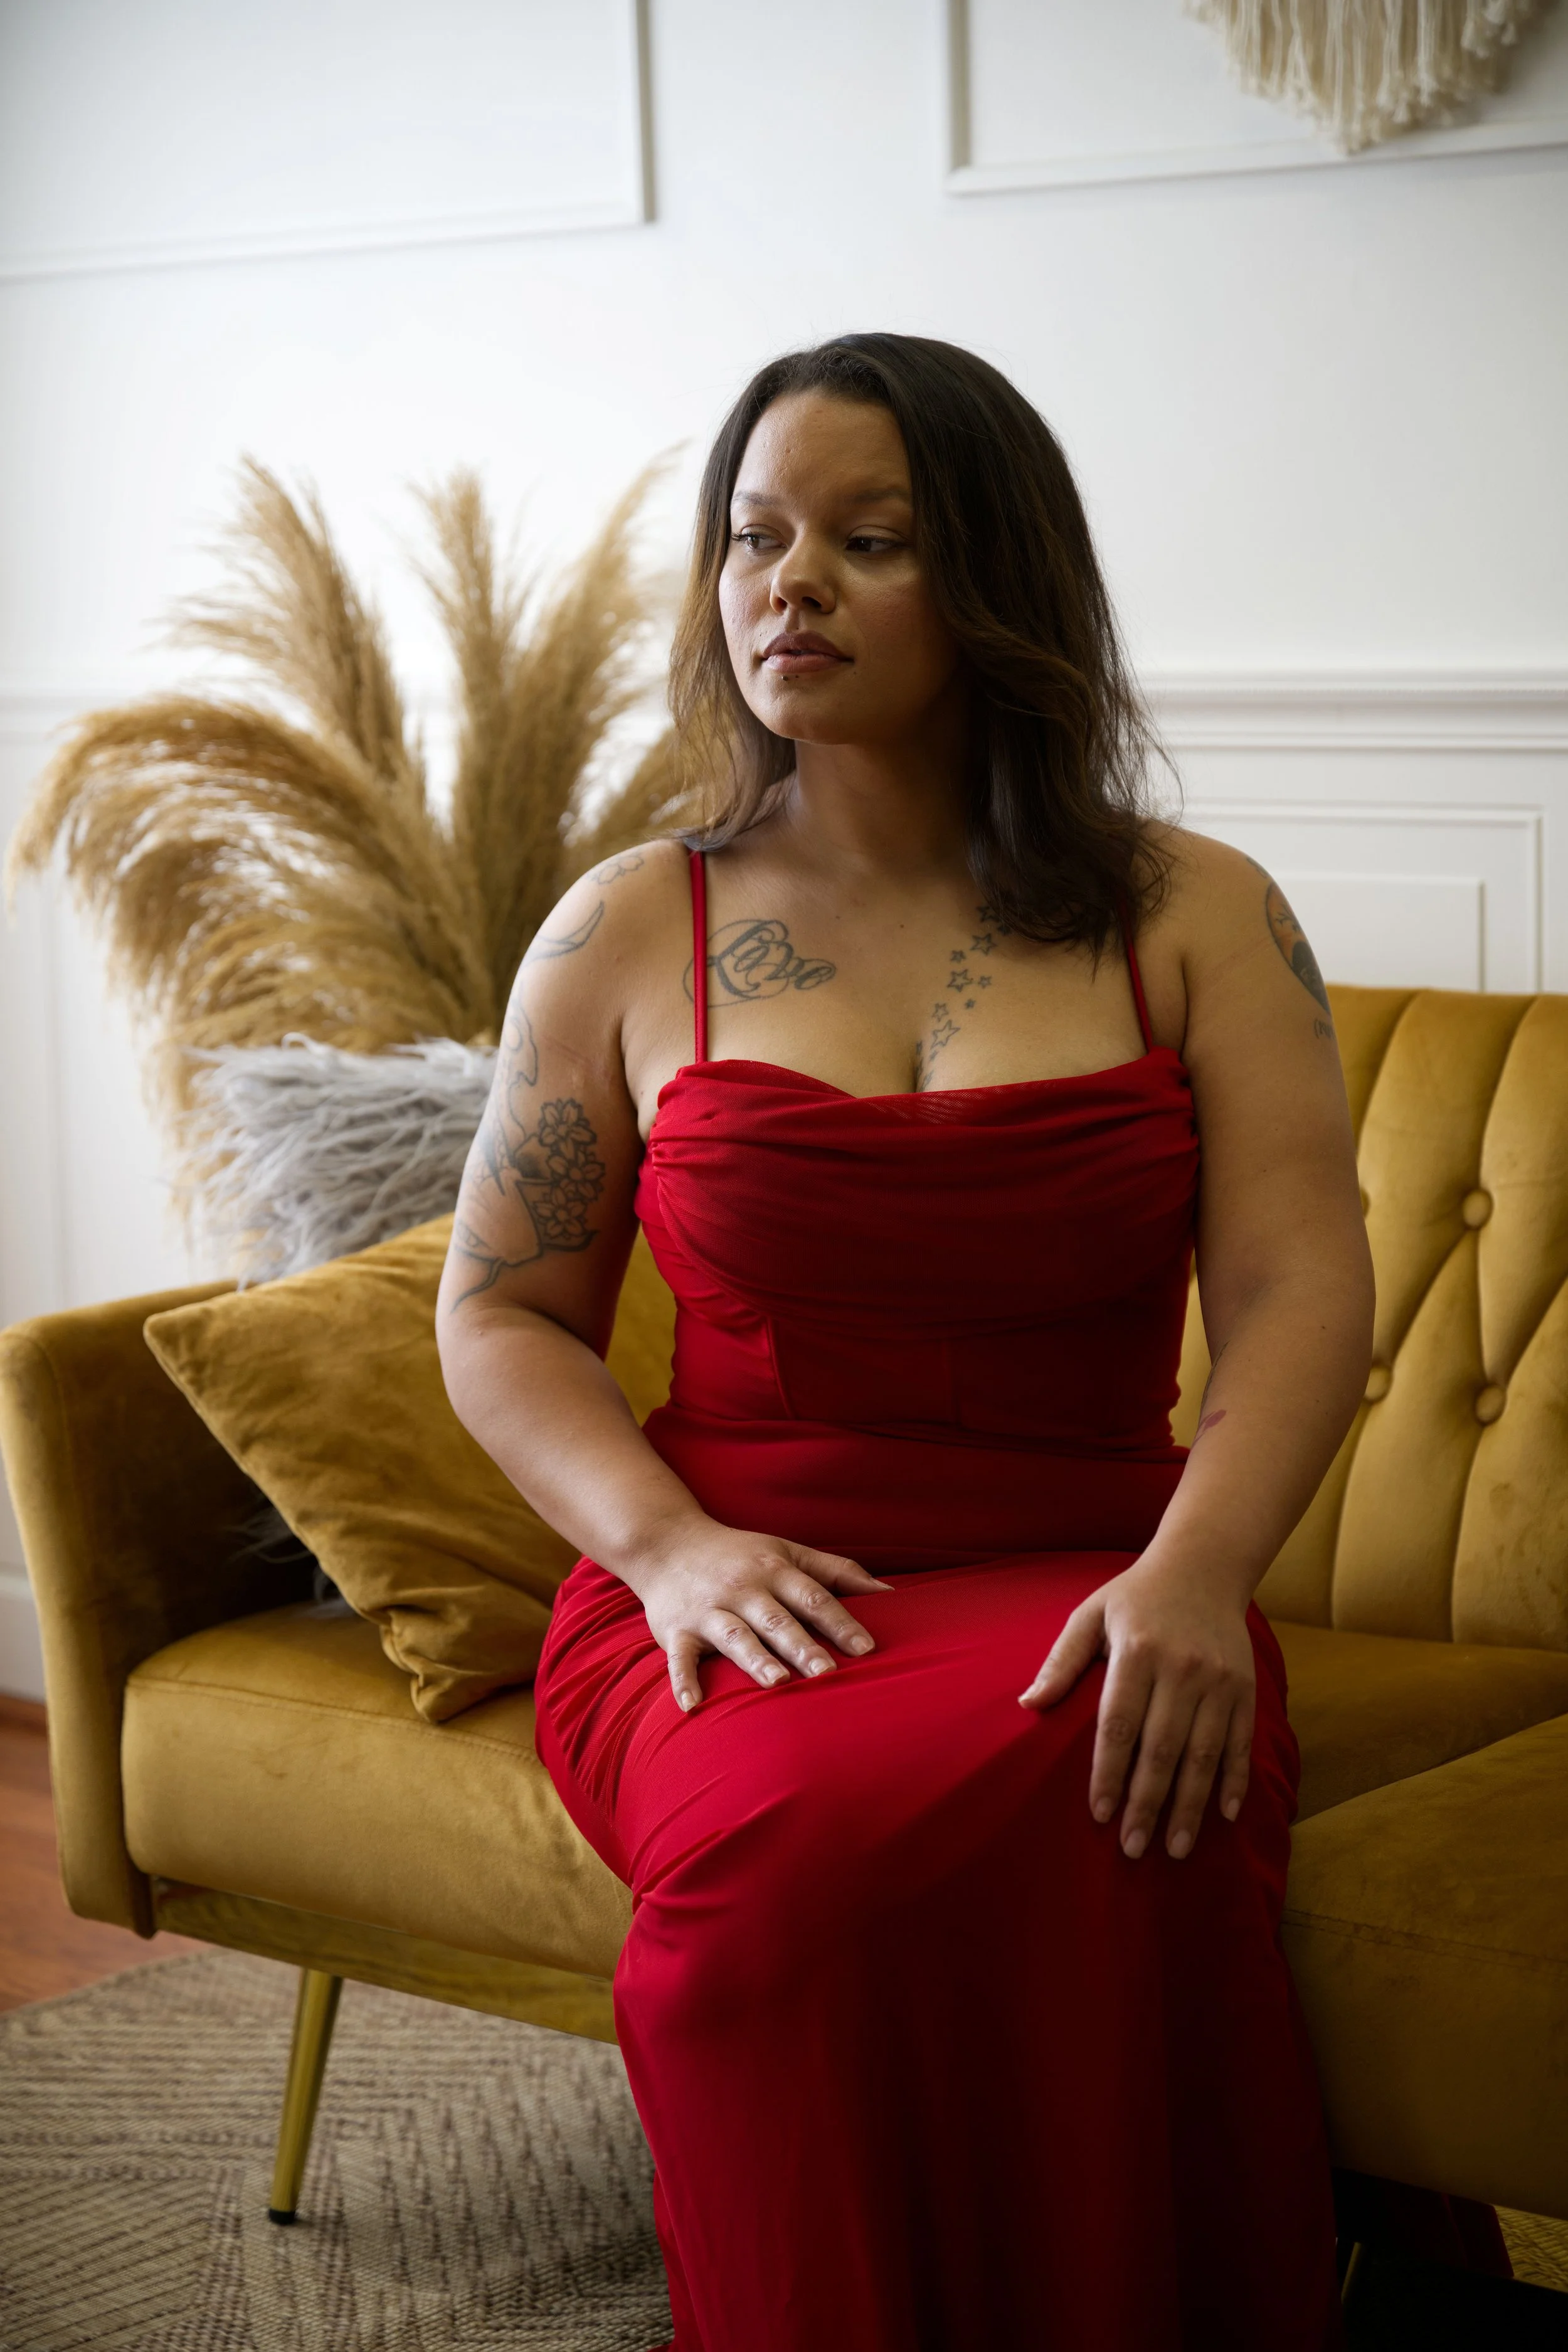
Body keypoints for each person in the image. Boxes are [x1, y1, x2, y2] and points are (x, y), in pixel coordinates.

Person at [436, 332, 1373, 2352]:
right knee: (780, 1895)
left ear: (998, 586)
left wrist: (1198, 1576)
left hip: (1111, 1574)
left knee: (1127, 1793)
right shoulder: (623, 923)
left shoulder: (1191, 912)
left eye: (869, 540)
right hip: (730, 1585)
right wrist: (667, 1548)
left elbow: (1302, 1290)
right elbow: (500, 1313)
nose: (789, 583)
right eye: (755, 537)